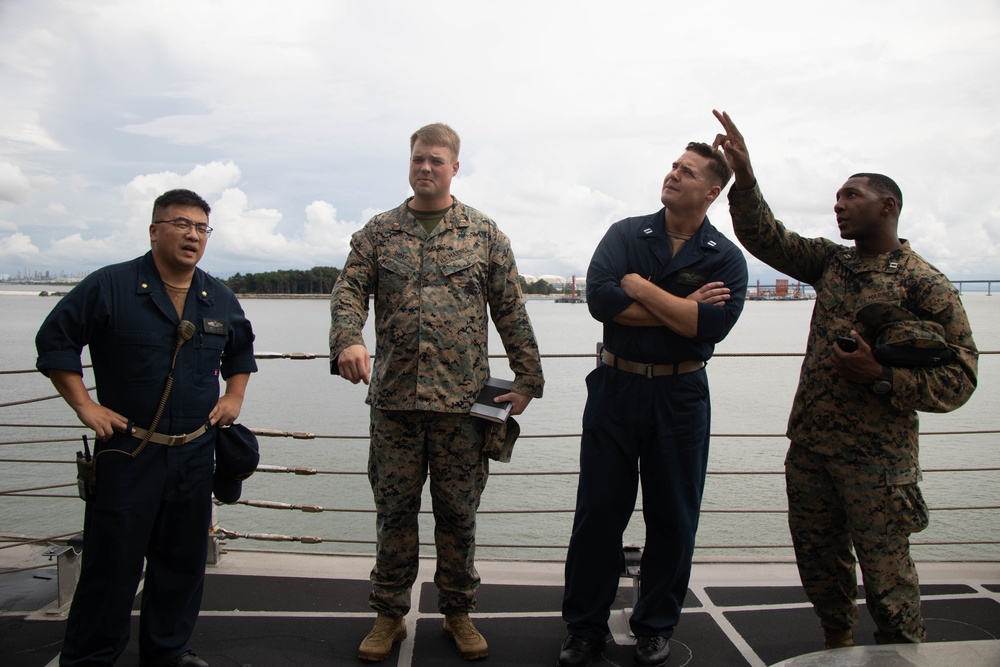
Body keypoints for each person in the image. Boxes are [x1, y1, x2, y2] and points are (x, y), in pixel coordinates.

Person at [712, 109, 978, 648]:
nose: (838, 205)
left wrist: (882, 376)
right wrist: (745, 177)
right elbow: (765, 236)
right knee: (818, 560)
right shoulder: (833, 264)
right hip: (812, 448)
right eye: (836, 196)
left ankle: (904, 652)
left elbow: (961, 378)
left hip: (878, 461)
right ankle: (837, 642)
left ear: (888, 206)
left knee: (888, 576)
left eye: (850, 195)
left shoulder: (923, 283)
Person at [329, 122, 544, 662]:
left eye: (437, 161)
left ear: (454, 167)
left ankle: (458, 612)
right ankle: (388, 615)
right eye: (418, 159)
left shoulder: (484, 234)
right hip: (395, 404)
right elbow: (349, 291)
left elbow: (511, 308)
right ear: (410, 163)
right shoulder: (378, 233)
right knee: (393, 512)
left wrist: (527, 380)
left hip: (462, 408)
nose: (426, 168)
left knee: (458, 515)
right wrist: (348, 339)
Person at [36, 189, 257, 667]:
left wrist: (234, 397)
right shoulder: (110, 286)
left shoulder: (216, 295)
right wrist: (84, 406)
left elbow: (241, 351)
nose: (193, 235)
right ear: (155, 230)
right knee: (110, 565)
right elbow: (56, 342)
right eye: (182, 224)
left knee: (181, 564)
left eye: (201, 228)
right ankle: (91, 657)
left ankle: (168, 652)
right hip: (128, 453)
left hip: (195, 453)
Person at [558, 142, 748, 667]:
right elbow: (601, 301)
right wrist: (680, 308)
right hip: (615, 390)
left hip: (680, 395)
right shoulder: (625, 234)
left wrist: (640, 288)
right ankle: (584, 627)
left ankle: (655, 625)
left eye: (686, 172)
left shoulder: (725, 258)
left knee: (673, 518)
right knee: (598, 515)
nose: (672, 175)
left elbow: (706, 330)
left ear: (711, 191)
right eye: (672, 167)